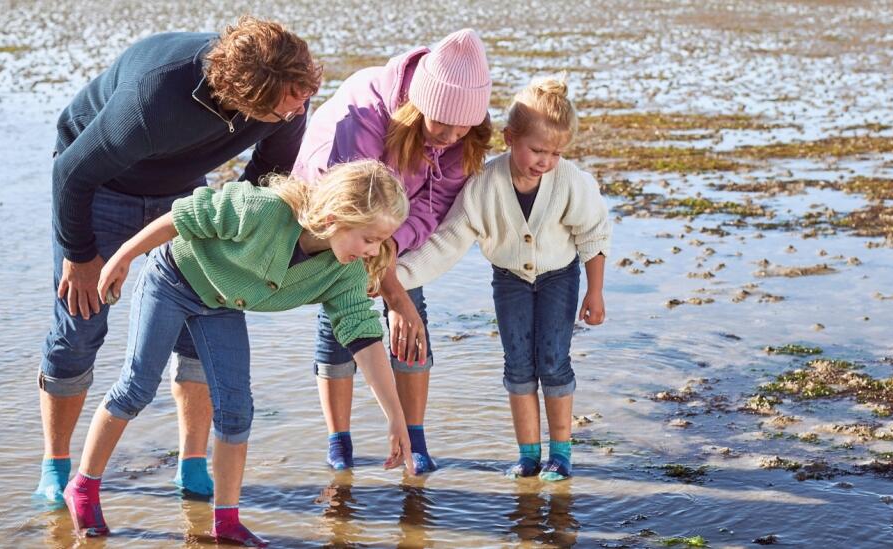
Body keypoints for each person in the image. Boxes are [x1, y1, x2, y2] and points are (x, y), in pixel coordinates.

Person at [35, 16, 320, 506]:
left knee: (203, 308)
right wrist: (79, 256)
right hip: (101, 188)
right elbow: (71, 173)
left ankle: (191, 465)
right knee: (80, 326)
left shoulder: (291, 95)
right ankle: (55, 465)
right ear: (248, 95)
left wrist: (231, 236)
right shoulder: (153, 98)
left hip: (182, 193)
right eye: (291, 101)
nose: (300, 108)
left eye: (304, 95)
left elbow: (266, 176)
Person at [64, 160, 416, 546]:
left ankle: (226, 521)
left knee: (236, 411)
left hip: (221, 304)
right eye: (369, 239)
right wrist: (124, 256)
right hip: (171, 280)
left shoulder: (346, 272)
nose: (374, 251)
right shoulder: (264, 209)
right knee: (137, 387)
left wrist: (395, 417)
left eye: (381, 241)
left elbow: (364, 337)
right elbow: (183, 216)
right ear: (335, 218)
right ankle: (83, 487)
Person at [291, 28, 493, 474]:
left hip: (392, 225)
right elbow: (357, 211)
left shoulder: (465, 137)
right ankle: (339, 442)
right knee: (341, 310)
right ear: (417, 107)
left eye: (463, 126)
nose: (450, 136)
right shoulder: (367, 112)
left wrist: (394, 258)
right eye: (440, 124)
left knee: (412, 311)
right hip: (338, 216)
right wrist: (390, 291)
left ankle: (413, 438)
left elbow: (433, 206)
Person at [396, 76, 611, 481]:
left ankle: (560, 454)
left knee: (553, 362)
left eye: (556, 152)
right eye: (538, 150)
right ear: (510, 138)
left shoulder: (569, 181)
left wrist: (595, 292)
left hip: (559, 278)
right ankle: (528, 455)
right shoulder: (484, 183)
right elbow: (447, 241)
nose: (546, 161)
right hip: (510, 280)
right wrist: (396, 276)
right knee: (517, 366)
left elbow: (593, 234)